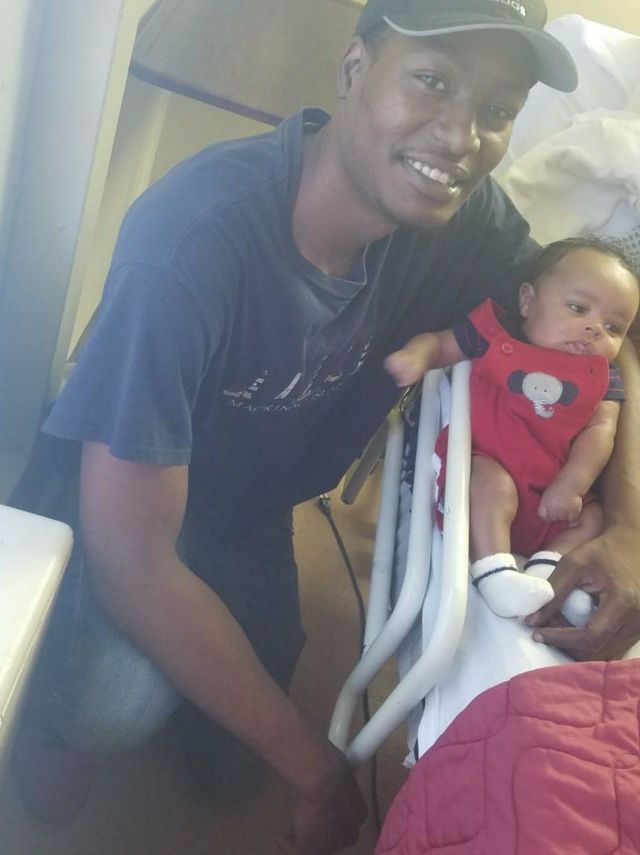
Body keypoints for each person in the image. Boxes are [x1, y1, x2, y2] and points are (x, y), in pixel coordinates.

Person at [10, 1, 640, 853]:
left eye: (497, 110)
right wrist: (317, 770)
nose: (462, 137)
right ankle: (55, 712)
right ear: (353, 70)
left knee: (231, 767)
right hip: (128, 508)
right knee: (111, 702)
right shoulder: (193, 242)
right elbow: (134, 560)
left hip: (252, 508)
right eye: (432, 81)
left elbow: (607, 341)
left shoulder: (465, 223)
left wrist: (629, 526)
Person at [385, 237, 639, 621]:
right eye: (577, 308)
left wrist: (572, 485)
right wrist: (417, 355)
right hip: (485, 473)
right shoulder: (493, 334)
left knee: (594, 518)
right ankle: (495, 570)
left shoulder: (606, 378)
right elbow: (440, 343)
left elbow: (601, 432)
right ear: (528, 302)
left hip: (550, 495)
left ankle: (547, 568)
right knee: (491, 482)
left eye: (613, 327)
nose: (594, 329)